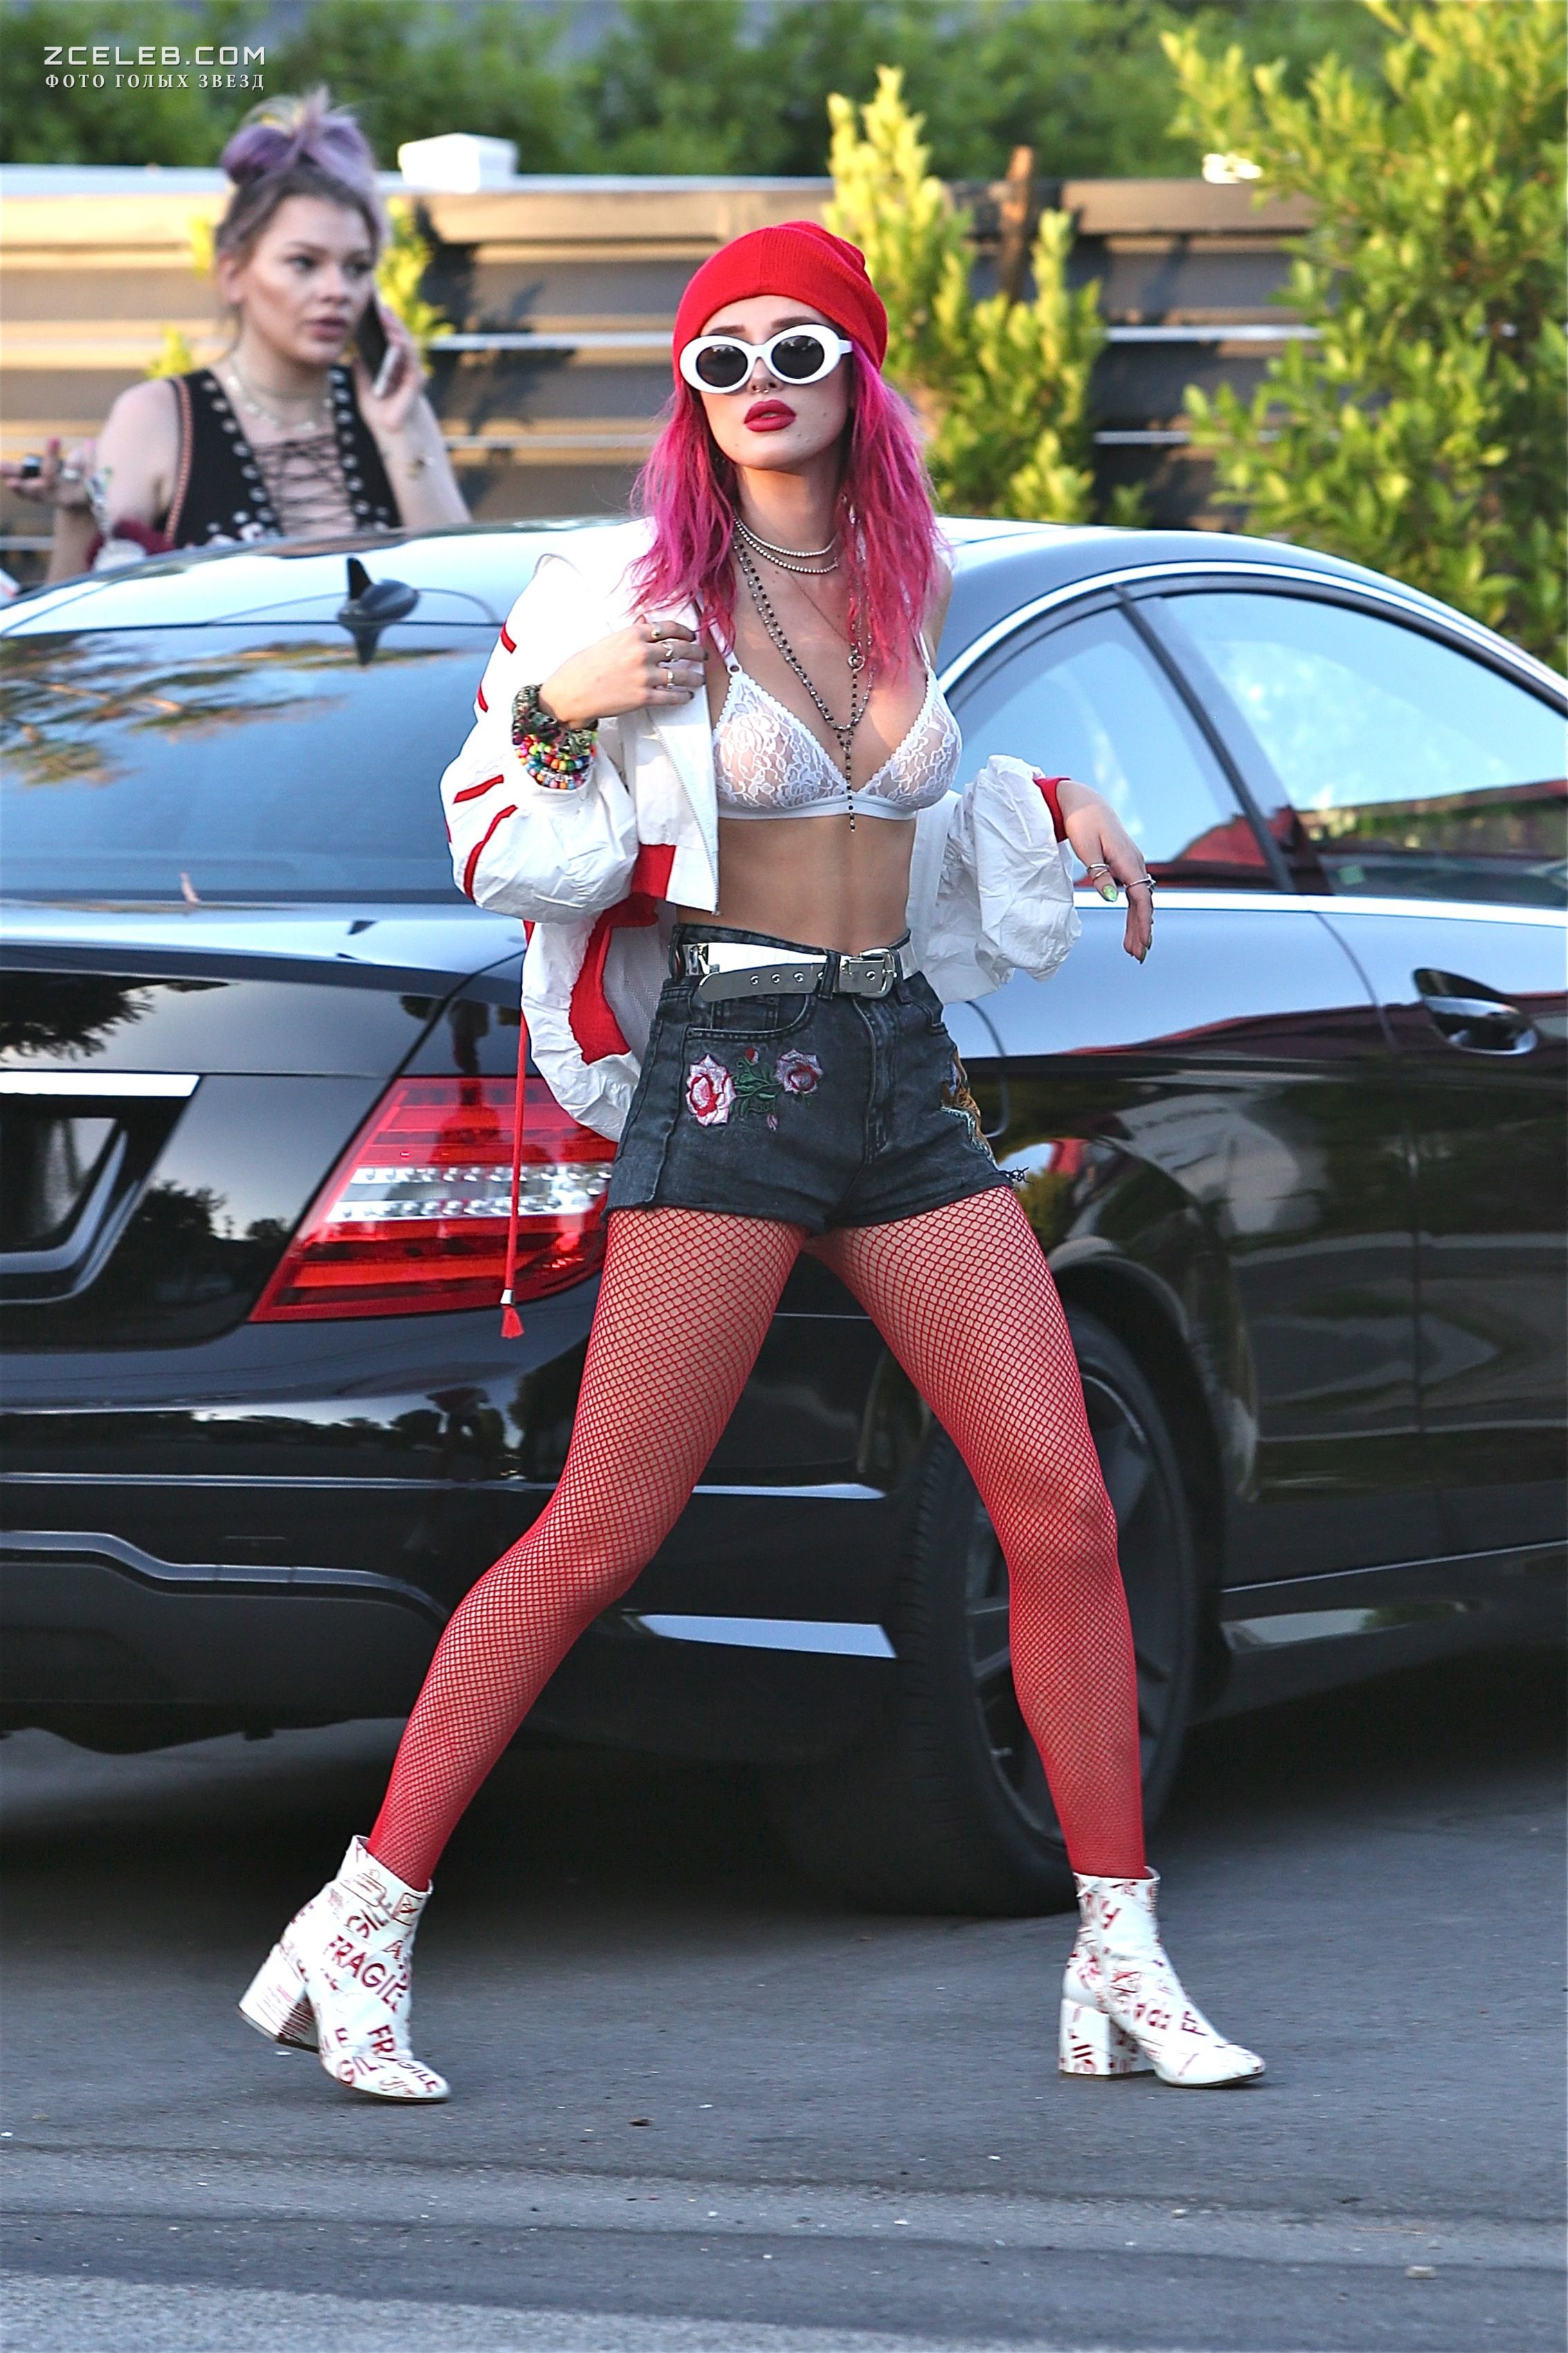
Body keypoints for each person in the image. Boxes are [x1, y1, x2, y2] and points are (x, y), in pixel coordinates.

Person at [239, 222, 1265, 2104]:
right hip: (735, 1068)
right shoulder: (628, 589)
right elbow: (493, 831)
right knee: (603, 1528)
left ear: (858, 376)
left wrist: (1047, 799)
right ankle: (358, 1918)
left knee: (1057, 1504)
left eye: (800, 348)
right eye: (721, 356)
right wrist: (562, 703)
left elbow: (896, 817)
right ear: (687, 395)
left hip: (897, 1068)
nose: (760, 381)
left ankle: (1118, 1952)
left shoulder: (899, 576)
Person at [1, 91, 465, 582]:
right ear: (232, 273)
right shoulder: (157, 418)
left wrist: (400, 432)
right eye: (304, 263)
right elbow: (88, 619)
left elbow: (464, 588)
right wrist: (78, 517)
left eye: (356, 267)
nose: (337, 290)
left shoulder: (395, 412)